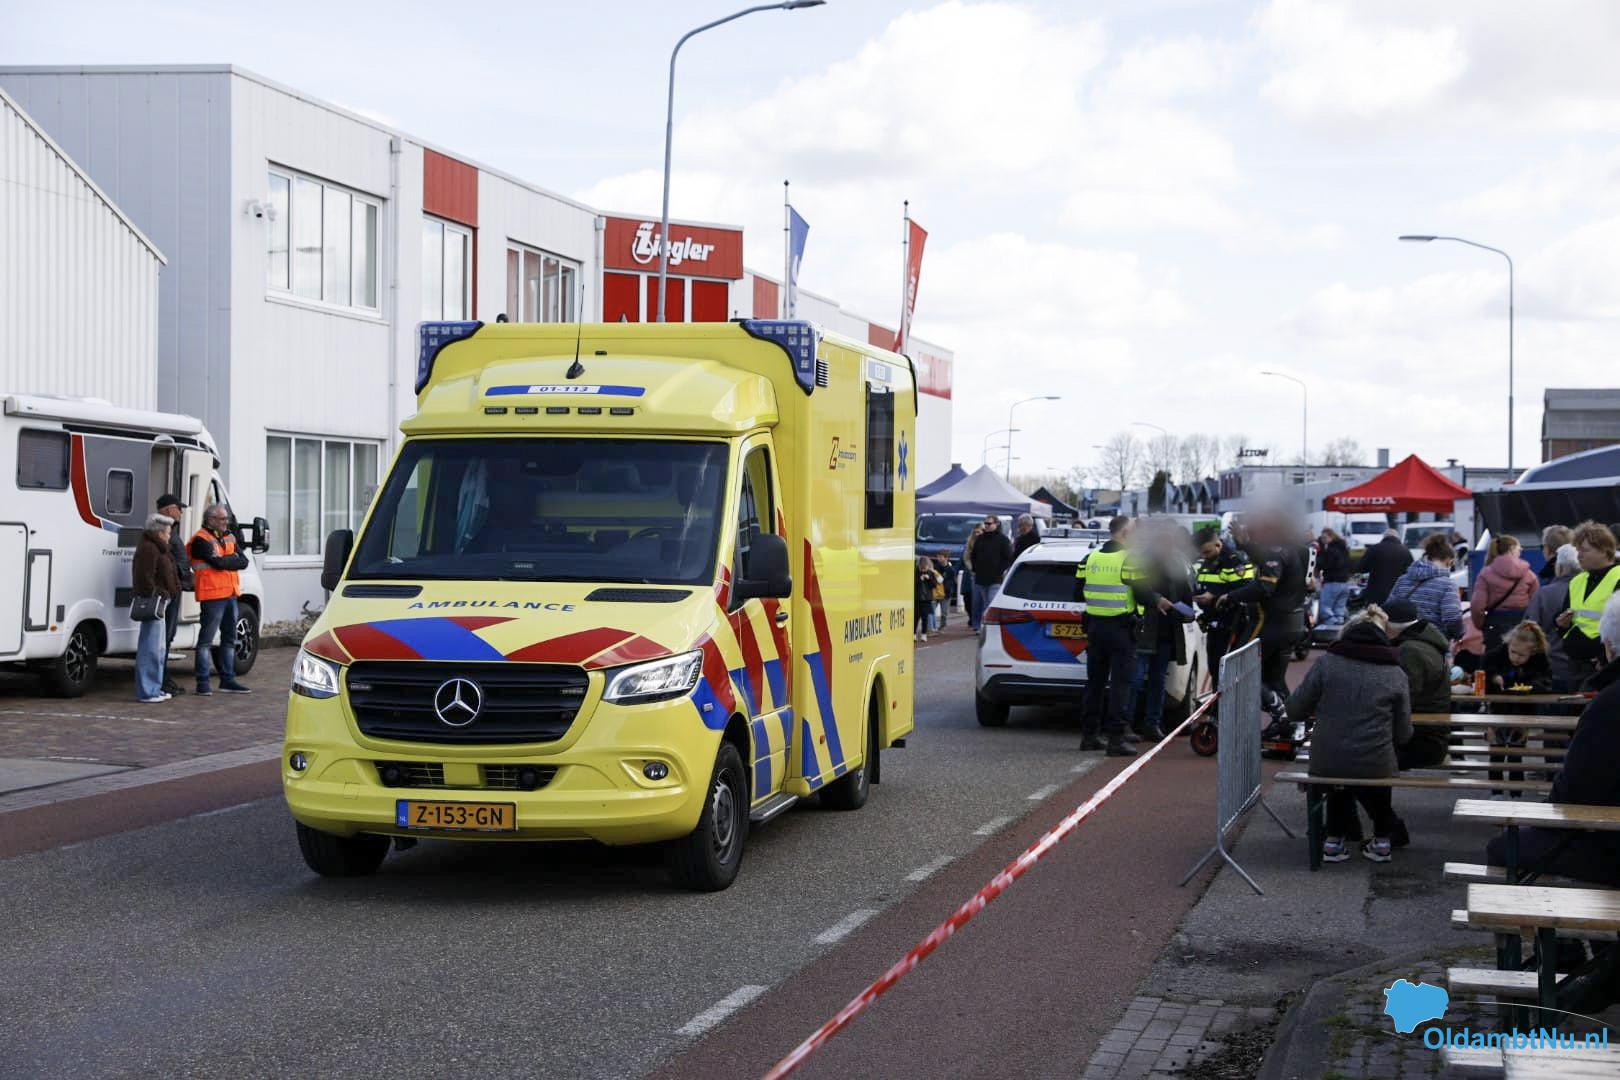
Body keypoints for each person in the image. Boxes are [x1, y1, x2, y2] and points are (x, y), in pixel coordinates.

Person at [1486, 594, 1620, 886]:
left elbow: (1575, 790)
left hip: (1608, 846)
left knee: (1502, 848)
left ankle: (1548, 926)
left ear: (1608, 646)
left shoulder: (1608, 705)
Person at [1286, 607, 1413, 863]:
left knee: (1338, 770)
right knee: (1376, 767)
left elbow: (1295, 709)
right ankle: (1381, 842)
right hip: (1375, 760)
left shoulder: (1326, 663)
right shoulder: (1395, 673)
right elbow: (1403, 732)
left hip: (1327, 758)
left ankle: (1333, 841)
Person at [1075, 516, 1168, 757]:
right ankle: (1116, 739)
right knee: (1120, 684)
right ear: (1125, 533)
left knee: (1094, 683)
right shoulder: (1130, 559)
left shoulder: (1090, 557)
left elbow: (1077, 592)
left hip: (1095, 628)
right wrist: (1158, 600)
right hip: (1121, 629)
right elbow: (1143, 594)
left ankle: (1089, 736)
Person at [1218, 510, 1310, 710]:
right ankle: (1291, 720)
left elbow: (1265, 587)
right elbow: (1266, 560)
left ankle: (1276, 707)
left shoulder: (1275, 550)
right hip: (1290, 624)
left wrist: (1231, 596)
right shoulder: (1287, 547)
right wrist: (1245, 544)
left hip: (1269, 623)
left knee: (1237, 667)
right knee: (1274, 679)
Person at [1127, 525, 1196, 740]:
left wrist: (1187, 611)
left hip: (1165, 633)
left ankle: (1151, 724)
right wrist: (1157, 600)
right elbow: (1137, 589)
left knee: (1156, 681)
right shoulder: (1142, 563)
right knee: (1136, 680)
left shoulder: (1175, 564)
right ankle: (1128, 724)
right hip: (1144, 630)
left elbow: (1185, 594)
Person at [190, 503, 253, 695]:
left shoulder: (228, 537)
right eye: (222, 519)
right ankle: (202, 683)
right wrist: (228, 560)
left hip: (230, 595)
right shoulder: (200, 540)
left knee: (229, 639)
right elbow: (216, 563)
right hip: (212, 596)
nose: (227, 522)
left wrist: (226, 561)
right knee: (205, 642)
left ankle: (228, 680)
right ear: (210, 520)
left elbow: (243, 562)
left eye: (226, 519)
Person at [1385, 600, 1450, 771]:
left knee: (1361, 756)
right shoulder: (1426, 641)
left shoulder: (1409, 650)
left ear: (1390, 627)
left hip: (1419, 741)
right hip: (1431, 736)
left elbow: (1403, 697)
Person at [1555, 521, 1620, 685]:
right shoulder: (1576, 581)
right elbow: (1566, 621)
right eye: (1577, 550)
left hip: (1605, 665)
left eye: (1584, 550)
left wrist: (1603, 657)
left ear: (1605, 550)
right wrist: (1562, 624)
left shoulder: (1618, 577)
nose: (1579, 556)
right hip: (1575, 666)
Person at [1192, 525, 1253, 686]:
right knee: (1214, 667)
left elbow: (1247, 589)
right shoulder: (1204, 561)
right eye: (1201, 553)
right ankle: (1217, 708)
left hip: (1232, 623)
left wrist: (1214, 596)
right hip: (1213, 622)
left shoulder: (1235, 561)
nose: (1204, 556)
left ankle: (1224, 709)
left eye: (1207, 552)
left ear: (1218, 545)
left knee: (1226, 671)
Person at [132, 514, 181, 704]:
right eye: (168, 532)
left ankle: (154, 687)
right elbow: (144, 578)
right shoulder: (149, 549)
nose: (169, 536)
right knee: (150, 649)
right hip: (155, 603)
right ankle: (147, 690)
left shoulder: (158, 548)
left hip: (161, 601)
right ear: (159, 533)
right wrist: (159, 593)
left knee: (158, 648)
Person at [1470, 535, 1540, 653]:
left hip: (1495, 623)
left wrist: (1482, 625)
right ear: (1511, 549)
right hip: (1522, 622)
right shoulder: (1529, 574)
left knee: (1493, 660)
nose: (1520, 552)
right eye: (1519, 549)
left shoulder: (1485, 573)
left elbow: (1477, 606)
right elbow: (1536, 603)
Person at [1387, 533, 1464, 640]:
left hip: (1400, 640)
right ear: (1449, 561)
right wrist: (1460, 635)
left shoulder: (1402, 580)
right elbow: (1452, 618)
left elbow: (1389, 607)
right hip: (1431, 642)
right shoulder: (1448, 585)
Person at [1526, 543, 1581, 690]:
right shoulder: (1592, 593)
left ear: (1560, 568)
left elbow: (1529, 630)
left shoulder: (1543, 594)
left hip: (1552, 668)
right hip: (1584, 670)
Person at [155, 493, 194, 697]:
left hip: (174, 590)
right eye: (179, 508)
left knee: (167, 637)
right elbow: (168, 564)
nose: (181, 512)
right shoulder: (163, 532)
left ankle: (162, 678)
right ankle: (160, 679)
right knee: (164, 637)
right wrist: (181, 577)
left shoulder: (169, 532)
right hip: (169, 592)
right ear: (170, 510)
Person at [1482, 621, 1554, 694]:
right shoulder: (1494, 656)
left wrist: (1532, 686)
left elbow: (1546, 682)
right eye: (1513, 652)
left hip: (1531, 702)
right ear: (1508, 644)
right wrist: (1493, 678)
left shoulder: (1540, 661)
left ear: (1533, 652)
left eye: (1521, 655)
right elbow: (1483, 674)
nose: (1516, 657)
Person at [969, 514, 1014, 625]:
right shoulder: (980, 539)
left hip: (995, 578)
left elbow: (1008, 558)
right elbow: (973, 555)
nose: (987, 526)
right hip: (981, 577)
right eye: (985, 523)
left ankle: (987, 626)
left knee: (991, 602)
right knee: (985, 603)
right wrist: (975, 569)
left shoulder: (1003, 540)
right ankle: (984, 625)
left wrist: (1000, 571)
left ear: (996, 524)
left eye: (989, 523)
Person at [1359, 528, 1413, 607]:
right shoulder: (1405, 551)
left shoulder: (1374, 548)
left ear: (1384, 537)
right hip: (1397, 591)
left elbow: (1362, 568)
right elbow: (1410, 572)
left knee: (1376, 616)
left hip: (1375, 591)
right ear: (1398, 538)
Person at [1316, 528, 1352, 628]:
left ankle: (1332, 626)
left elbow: (1324, 564)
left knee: (1325, 608)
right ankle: (1338, 629)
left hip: (1332, 582)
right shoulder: (1344, 548)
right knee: (1339, 610)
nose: (1323, 540)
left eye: (1324, 537)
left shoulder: (1330, 550)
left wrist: (1321, 552)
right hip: (1345, 583)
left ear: (1331, 537)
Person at [963, 524, 985, 630]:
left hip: (987, 574)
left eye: (979, 532)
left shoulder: (987, 542)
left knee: (985, 600)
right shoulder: (970, 543)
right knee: (975, 600)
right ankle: (976, 624)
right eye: (975, 532)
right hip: (974, 574)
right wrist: (972, 568)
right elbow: (966, 557)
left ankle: (983, 623)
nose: (977, 534)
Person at [915, 556, 941, 643]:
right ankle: (914, 634)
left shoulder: (930, 573)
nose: (923, 570)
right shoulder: (916, 572)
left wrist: (929, 579)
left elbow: (934, 585)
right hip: (917, 599)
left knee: (925, 618)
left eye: (925, 568)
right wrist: (919, 579)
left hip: (927, 599)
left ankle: (924, 635)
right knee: (916, 617)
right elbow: (913, 584)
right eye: (922, 568)